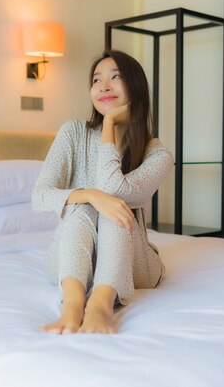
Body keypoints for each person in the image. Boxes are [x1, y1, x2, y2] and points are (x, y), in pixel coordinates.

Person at [32, 49, 174, 335]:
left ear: (135, 87)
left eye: (115, 77)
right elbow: (40, 195)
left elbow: (111, 188)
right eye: (96, 80)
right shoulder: (72, 133)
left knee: (114, 206)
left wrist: (109, 122)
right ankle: (72, 305)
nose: (103, 86)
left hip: (135, 263)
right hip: (70, 256)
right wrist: (89, 195)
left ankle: (100, 304)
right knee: (86, 204)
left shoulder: (157, 153)